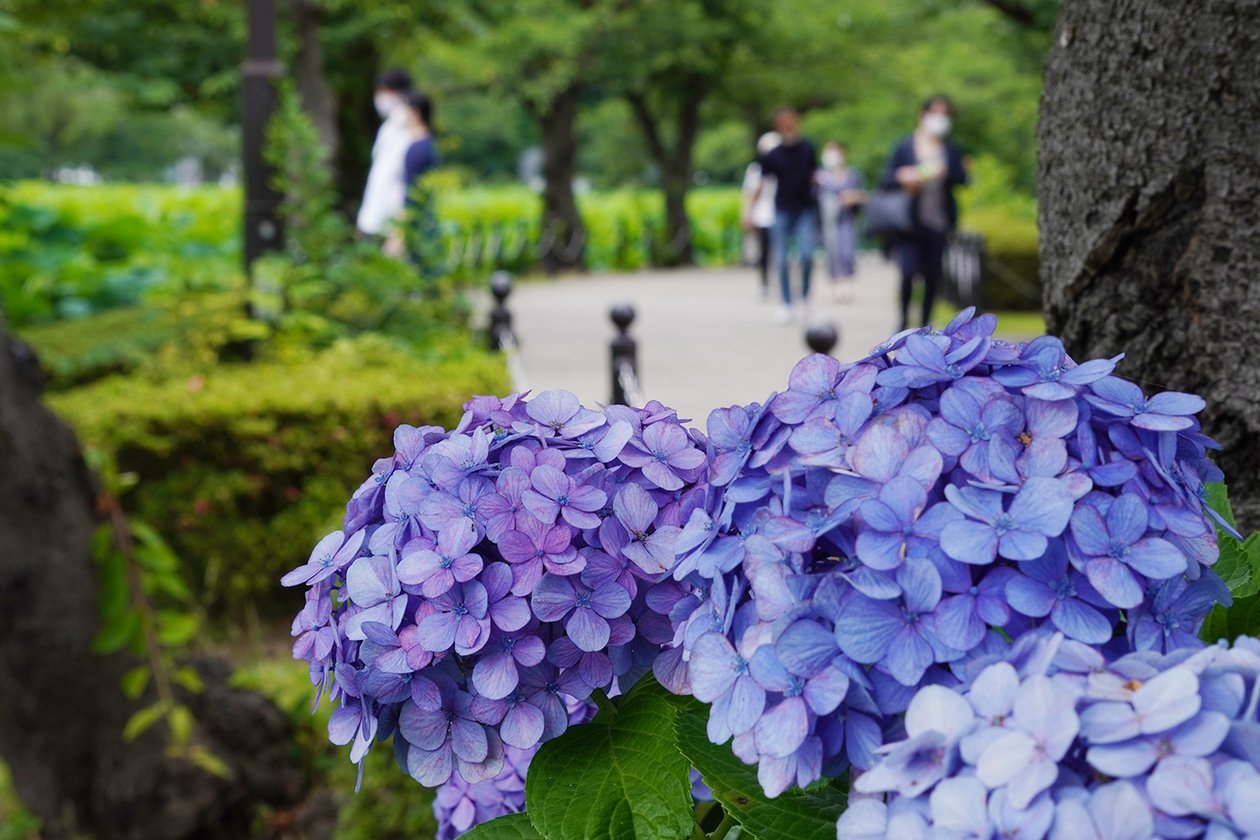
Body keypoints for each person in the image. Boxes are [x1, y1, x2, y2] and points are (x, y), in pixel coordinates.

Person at [881, 95, 968, 331]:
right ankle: (902, 324)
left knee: (932, 277)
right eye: (936, 113)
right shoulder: (904, 145)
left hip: (938, 223)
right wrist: (905, 177)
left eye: (945, 115)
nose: (940, 119)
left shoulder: (951, 149)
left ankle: (925, 326)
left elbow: (963, 178)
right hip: (907, 224)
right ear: (923, 115)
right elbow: (886, 178)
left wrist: (946, 171)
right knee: (908, 273)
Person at [752, 108, 818, 325]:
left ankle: (805, 298)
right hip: (781, 210)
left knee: (807, 255)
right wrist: (751, 210)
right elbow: (761, 183)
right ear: (779, 127)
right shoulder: (772, 155)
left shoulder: (808, 148)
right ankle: (787, 303)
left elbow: (814, 175)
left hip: (804, 210)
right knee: (780, 260)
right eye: (785, 124)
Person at [386, 91, 442, 268]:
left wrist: (399, 232)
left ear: (415, 113)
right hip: (424, 221)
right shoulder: (427, 144)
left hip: (417, 225)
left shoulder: (417, 148)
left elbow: (411, 193)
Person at [356, 69, 413, 241]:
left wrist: (398, 230)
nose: (380, 98)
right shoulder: (389, 126)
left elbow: (397, 178)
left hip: (390, 221)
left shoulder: (407, 126)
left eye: (384, 91)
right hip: (376, 220)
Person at [816, 141, 865, 304]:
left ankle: (845, 285)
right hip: (827, 221)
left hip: (847, 219)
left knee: (847, 252)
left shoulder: (852, 175)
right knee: (831, 252)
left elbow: (863, 195)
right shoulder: (820, 176)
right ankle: (834, 285)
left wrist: (852, 197)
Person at [740, 131, 781, 300]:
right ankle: (765, 285)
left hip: (781, 214)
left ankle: (782, 286)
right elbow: (749, 194)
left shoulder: (784, 168)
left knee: (780, 253)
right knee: (764, 252)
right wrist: (747, 214)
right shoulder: (755, 170)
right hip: (763, 215)